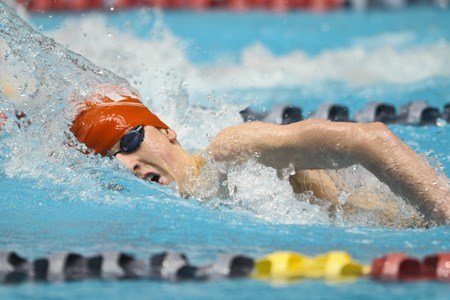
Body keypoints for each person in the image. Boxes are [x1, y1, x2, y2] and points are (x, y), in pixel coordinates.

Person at [69, 84, 450, 225]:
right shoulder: (166, 214)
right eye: (112, 158)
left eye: (131, 141)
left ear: (167, 131)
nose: (129, 164)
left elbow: (369, 139)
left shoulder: (230, 152)